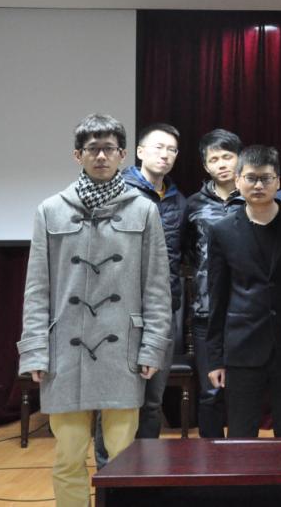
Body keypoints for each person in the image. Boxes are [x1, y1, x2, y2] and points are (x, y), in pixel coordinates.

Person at [17, 114, 172, 507]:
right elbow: (36, 287)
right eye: (92, 149)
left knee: (124, 459)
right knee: (68, 456)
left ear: (122, 154)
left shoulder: (144, 210)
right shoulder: (51, 210)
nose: (101, 156)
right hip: (64, 351)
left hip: (124, 349)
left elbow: (157, 287)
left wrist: (152, 347)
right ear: (78, 155)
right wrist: (34, 351)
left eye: (109, 149)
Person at [93, 122, 185, 466]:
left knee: (152, 401)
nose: (165, 155)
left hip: (162, 311)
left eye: (172, 150)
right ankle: (109, 473)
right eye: (158, 147)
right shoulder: (116, 192)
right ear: (140, 152)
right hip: (119, 311)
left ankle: (145, 472)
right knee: (116, 398)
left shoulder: (178, 201)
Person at [206, 145, 281, 438]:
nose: (258, 185)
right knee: (241, 436)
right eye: (251, 178)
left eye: (265, 178)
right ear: (237, 180)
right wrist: (214, 358)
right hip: (242, 347)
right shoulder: (222, 231)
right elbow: (217, 297)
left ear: (278, 181)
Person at [183, 128, 244, 438]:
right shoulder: (193, 204)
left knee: (243, 393)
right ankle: (210, 459)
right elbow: (186, 253)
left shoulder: (254, 199)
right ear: (205, 165)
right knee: (210, 392)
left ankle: (244, 458)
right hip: (206, 311)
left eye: (227, 157)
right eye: (214, 159)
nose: (222, 164)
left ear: (240, 158)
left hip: (245, 310)